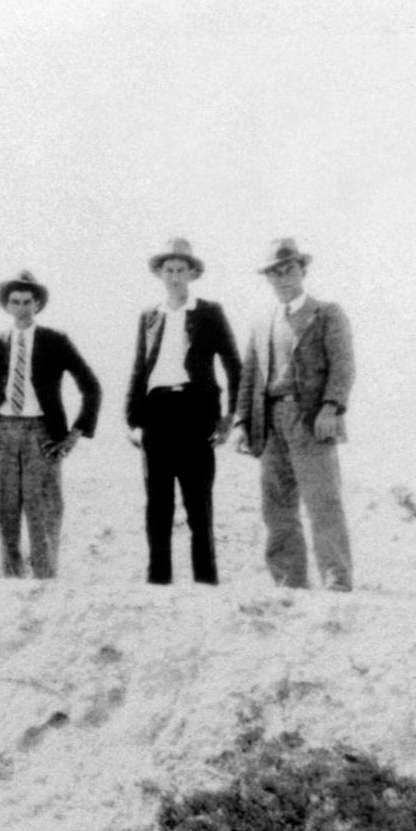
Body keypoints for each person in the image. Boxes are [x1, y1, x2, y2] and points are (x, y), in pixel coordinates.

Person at [0, 271, 101, 579]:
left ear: (37, 304)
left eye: (27, 302)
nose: (21, 308)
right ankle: (11, 585)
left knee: (44, 513)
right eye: (15, 302)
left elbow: (91, 387)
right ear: (7, 306)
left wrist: (74, 435)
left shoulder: (55, 341)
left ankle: (46, 584)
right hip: (2, 435)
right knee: (6, 514)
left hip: (42, 435)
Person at [230, 238, 355, 591]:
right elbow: (249, 376)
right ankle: (289, 582)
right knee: (277, 507)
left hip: (311, 417)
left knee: (322, 501)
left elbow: (343, 366)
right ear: (268, 279)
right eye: (275, 274)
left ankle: (336, 579)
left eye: (289, 270)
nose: (282, 279)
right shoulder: (261, 323)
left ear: (302, 270)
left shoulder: (327, 313)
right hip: (270, 422)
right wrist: (242, 422)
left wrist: (331, 407)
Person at [124, 238, 242, 585]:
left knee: (197, 501)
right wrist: (132, 421)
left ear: (192, 273)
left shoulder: (209, 312)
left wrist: (230, 415)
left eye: (181, 270)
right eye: (169, 270)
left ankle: (206, 582)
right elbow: (138, 369)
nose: (175, 277)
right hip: (156, 411)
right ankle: (158, 581)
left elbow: (234, 365)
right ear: (160, 273)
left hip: (195, 410)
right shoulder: (150, 316)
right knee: (157, 502)